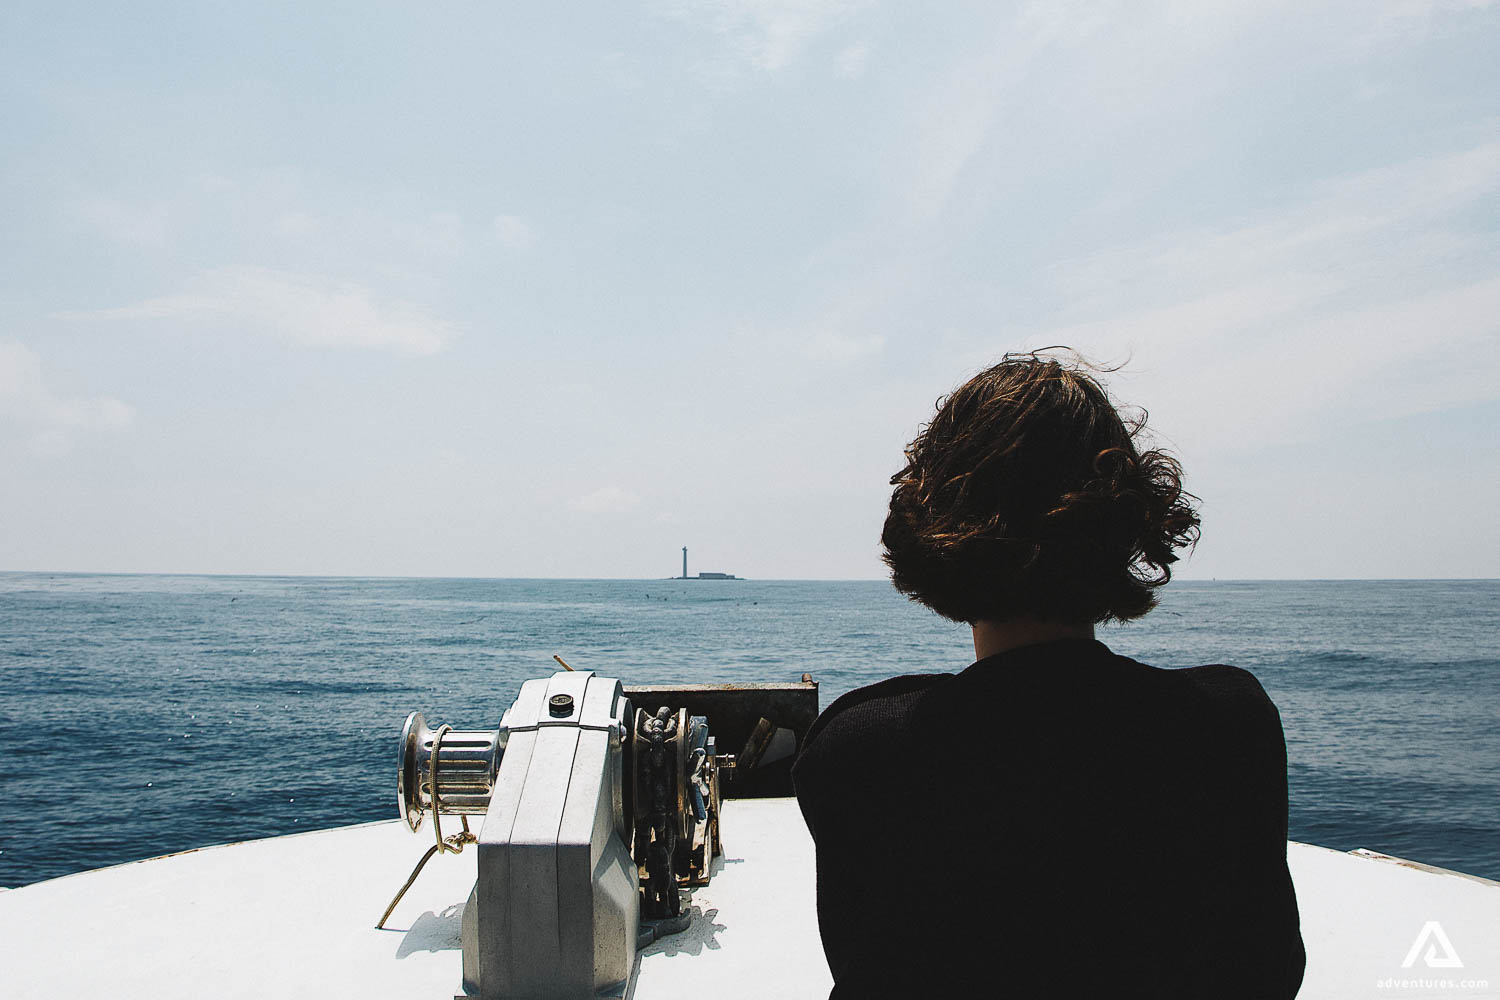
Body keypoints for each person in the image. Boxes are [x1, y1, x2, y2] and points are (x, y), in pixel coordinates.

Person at [791, 352, 1305, 998]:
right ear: (1126, 523)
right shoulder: (1230, 729)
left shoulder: (860, 758)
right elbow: (1271, 973)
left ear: (934, 528)